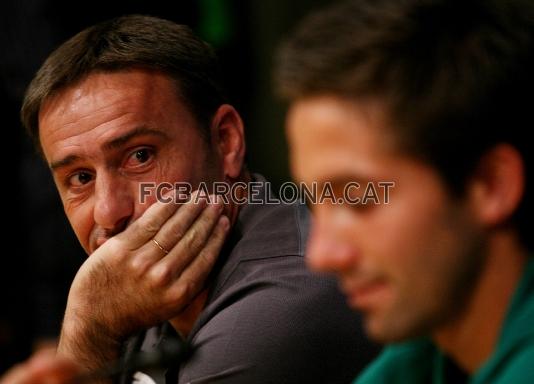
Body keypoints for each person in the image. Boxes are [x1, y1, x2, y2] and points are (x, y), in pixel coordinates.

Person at [1, 14, 378, 384]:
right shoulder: (139, 281)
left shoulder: (277, 312)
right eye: (80, 178)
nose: (108, 211)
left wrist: (90, 326)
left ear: (225, 141)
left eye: (140, 156)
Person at [275, 0, 534, 382]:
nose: (320, 256)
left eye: (356, 198)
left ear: (491, 185)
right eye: (315, 203)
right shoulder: (424, 354)